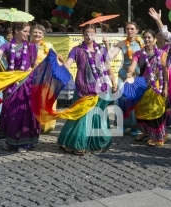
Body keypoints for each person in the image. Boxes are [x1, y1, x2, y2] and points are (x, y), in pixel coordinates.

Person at [58, 25, 118, 155]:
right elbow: (68, 65)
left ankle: (95, 142)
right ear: (82, 35)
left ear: (95, 35)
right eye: (87, 34)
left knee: (98, 116)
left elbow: (108, 67)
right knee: (81, 116)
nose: (89, 37)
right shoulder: (76, 50)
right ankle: (76, 144)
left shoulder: (101, 49)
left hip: (101, 88)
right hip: (83, 88)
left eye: (92, 34)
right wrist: (62, 63)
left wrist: (114, 83)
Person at [0, 22, 38, 153]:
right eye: (26, 31)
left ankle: (25, 142)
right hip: (10, 83)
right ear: (17, 30)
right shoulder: (6, 46)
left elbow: (35, 64)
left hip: (26, 82)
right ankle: (11, 141)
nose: (28, 34)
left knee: (24, 111)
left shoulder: (31, 46)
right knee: (10, 111)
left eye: (28, 31)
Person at [127, 30, 169, 147]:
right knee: (141, 112)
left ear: (154, 39)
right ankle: (145, 132)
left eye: (149, 37)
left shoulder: (161, 54)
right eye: (145, 37)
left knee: (155, 112)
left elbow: (165, 72)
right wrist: (130, 72)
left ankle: (157, 136)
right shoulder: (138, 53)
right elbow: (133, 66)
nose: (147, 40)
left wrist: (165, 86)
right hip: (142, 86)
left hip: (156, 87)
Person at [104, 22, 144, 138]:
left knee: (135, 100)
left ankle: (134, 127)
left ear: (137, 30)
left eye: (132, 29)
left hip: (137, 76)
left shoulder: (142, 43)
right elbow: (110, 56)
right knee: (121, 99)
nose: (129, 31)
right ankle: (121, 125)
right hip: (123, 75)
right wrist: (106, 45)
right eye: (127, 29)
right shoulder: (121, 43)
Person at [30, 24, 58, 133]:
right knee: (33, 101)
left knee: (46, 101)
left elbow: (55, 60)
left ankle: (45, 125)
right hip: (31, 78)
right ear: (31, 33)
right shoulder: (26, 45)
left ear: (43, 35)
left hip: (46, 77)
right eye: (35, 32)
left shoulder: (48, 45)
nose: (37, 34)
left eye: (40, 33)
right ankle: (33, 124)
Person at [156, 31, 171, 130]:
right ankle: (162, 120)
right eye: (159, 34)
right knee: (159, 96)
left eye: (162, 35)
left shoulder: (169, 46)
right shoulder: (153, 47)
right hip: (156, 73)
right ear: (156, 36)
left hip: (168, 73)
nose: (161, 37)